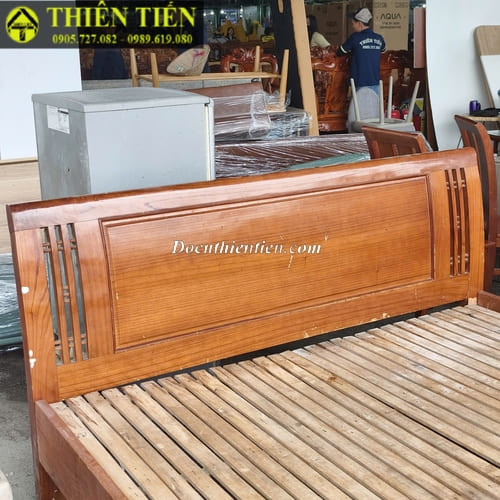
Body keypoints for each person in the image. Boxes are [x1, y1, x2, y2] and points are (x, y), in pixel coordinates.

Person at [336, 8, 385, 94]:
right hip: (375, 82)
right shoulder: (379, 38)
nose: (352, 26)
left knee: (358, 103)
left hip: (360, 83)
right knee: (374, 103)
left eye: (353, 24)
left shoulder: (355, 37)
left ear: (359, 23)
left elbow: (340, 52)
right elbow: (383, 50)